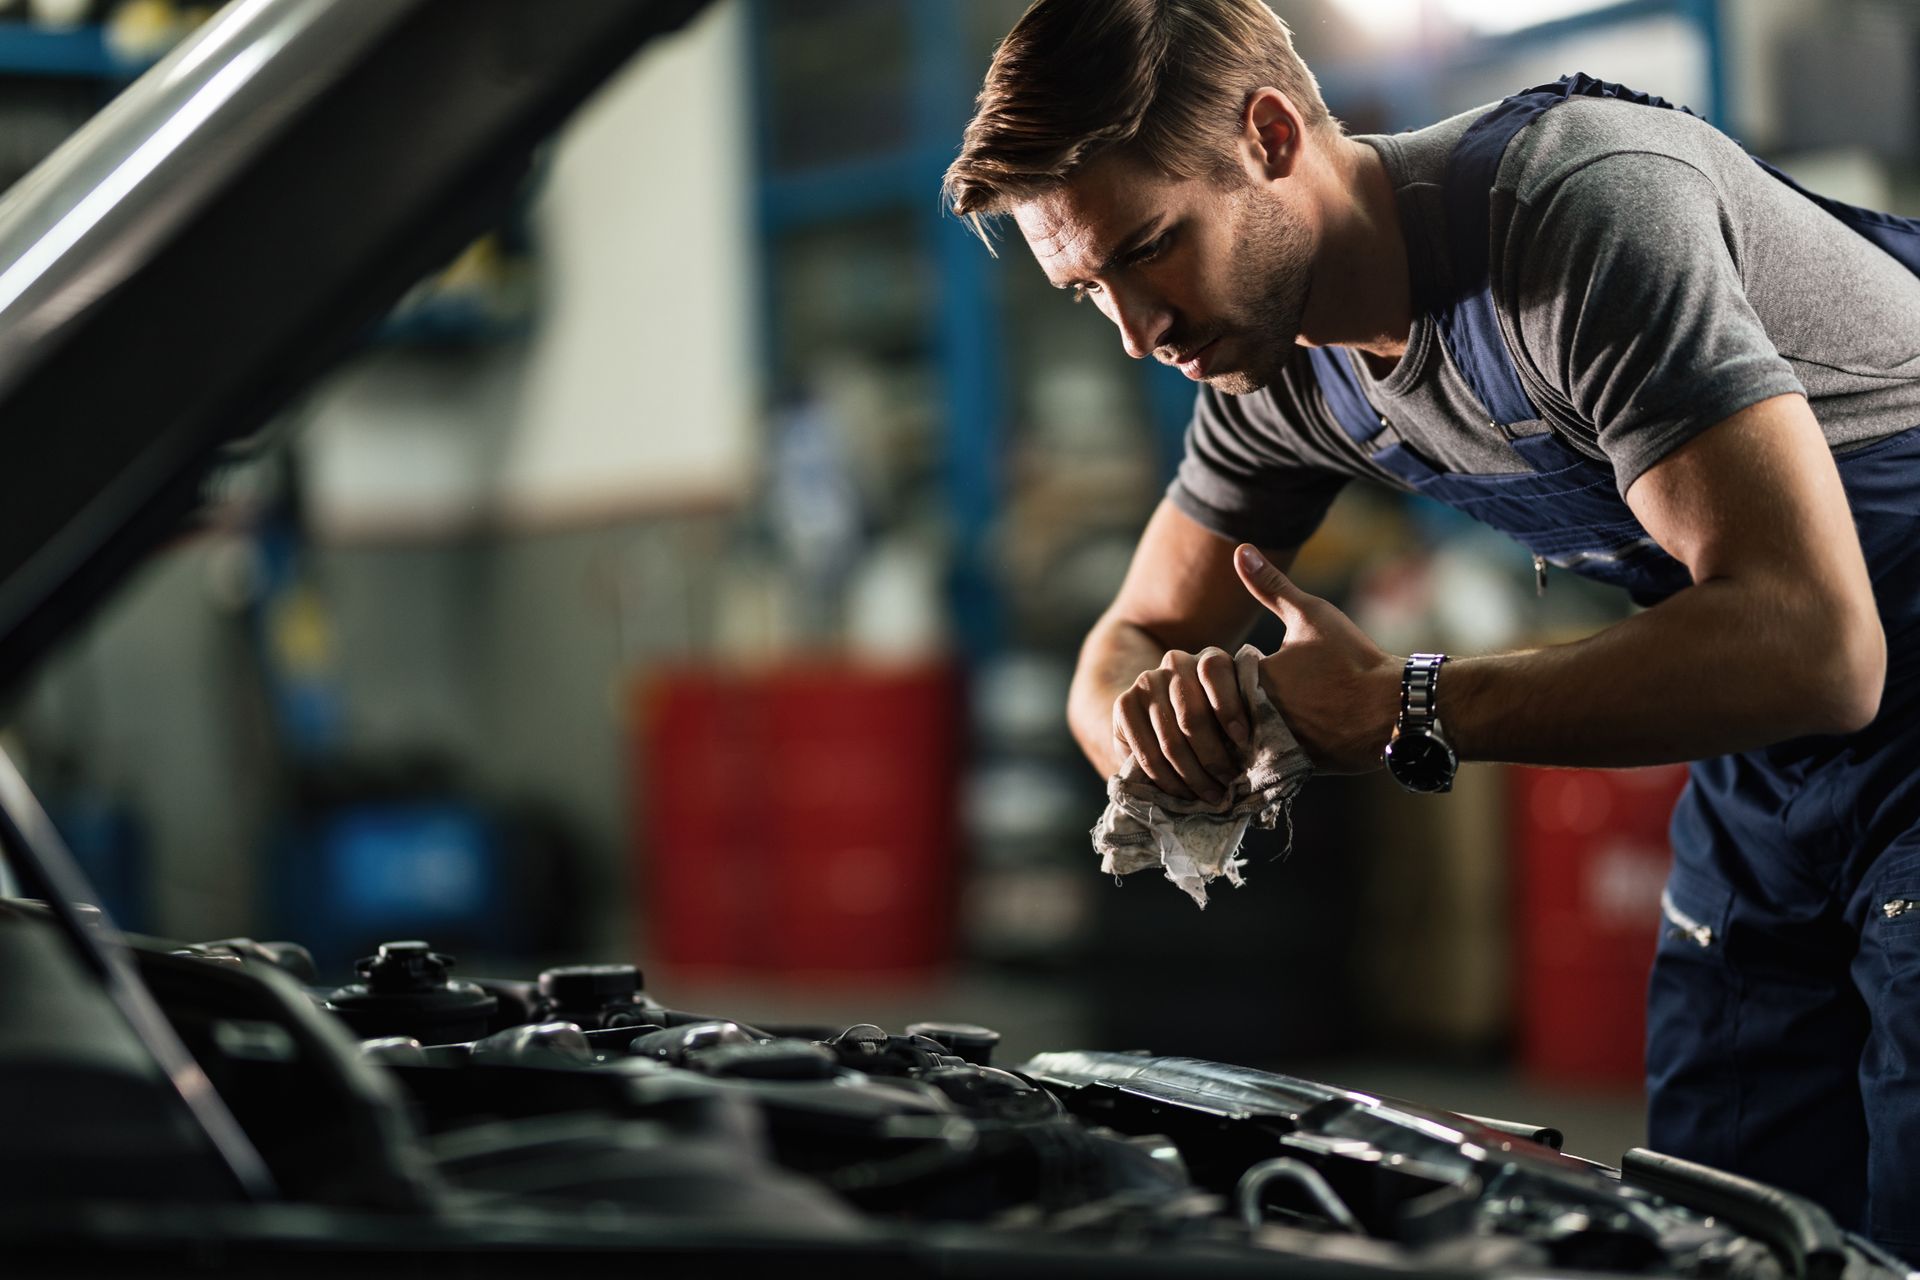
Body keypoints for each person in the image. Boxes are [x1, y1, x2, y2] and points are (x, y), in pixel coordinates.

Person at [942, 0, 1920, 1262]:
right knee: (1717, 1214)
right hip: (1772, 756)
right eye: (1089, 290)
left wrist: (1408, 704)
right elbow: (1123, 640)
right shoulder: (1270, 366)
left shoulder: (1580, 209)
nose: (1139, 330)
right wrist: (1157, 732)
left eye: (1149, 246)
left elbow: (1816, 643)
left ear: (1273, 133)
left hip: (1839, 673)